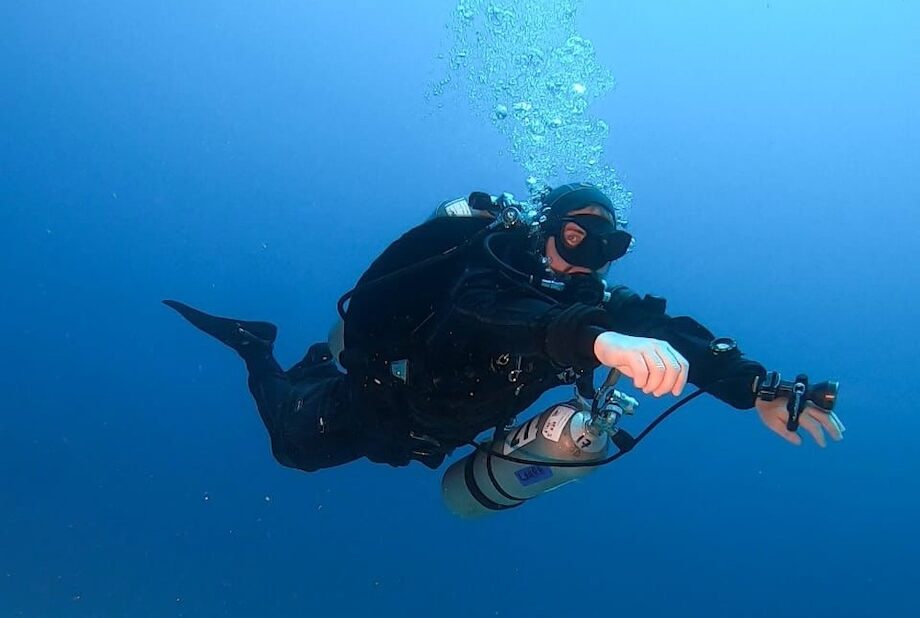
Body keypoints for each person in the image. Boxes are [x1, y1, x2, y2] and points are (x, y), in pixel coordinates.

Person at [165, 183, 843, 476]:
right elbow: (479, 316)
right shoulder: (487, 269)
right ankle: (265, 347)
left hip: (429, 436)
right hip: (375, 404)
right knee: (291, 448)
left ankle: (311, 357)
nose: (579, 258)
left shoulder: (597, 302)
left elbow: (678, 334)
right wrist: (596, 342)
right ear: (547, 226)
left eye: (600, 248)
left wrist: (757, 387)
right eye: (574, 235)